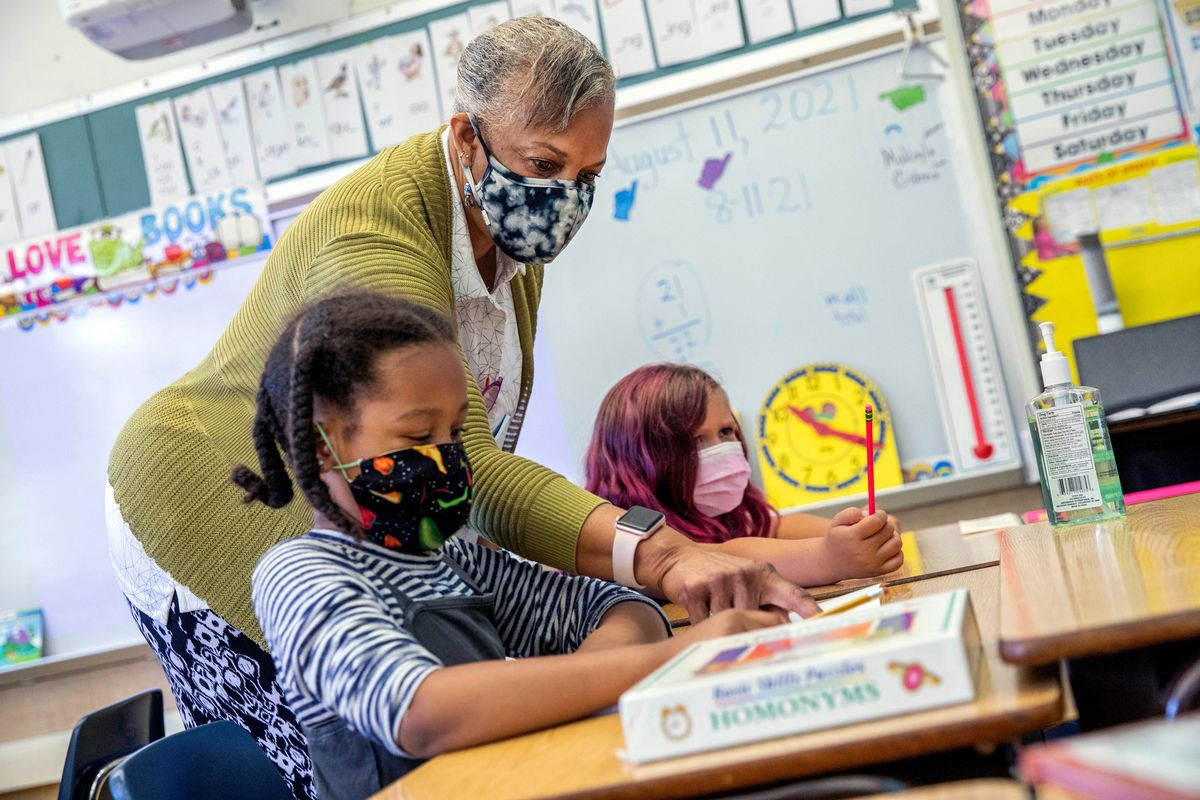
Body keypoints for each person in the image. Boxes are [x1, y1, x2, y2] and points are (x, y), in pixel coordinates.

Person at [104, 17, 814, 797]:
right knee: (339, 756)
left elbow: (520, 519)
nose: (564, 197)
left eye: (588, 173)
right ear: (468, 141)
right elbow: (426, 697)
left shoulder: (510, 238)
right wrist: (667, 569)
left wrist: (595, 668)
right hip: (204, 494)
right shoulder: (370, 238)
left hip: (388, 532)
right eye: (544, 164)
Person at [246, 293, 781, 800]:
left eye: (455, 434)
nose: (447, 456)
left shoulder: (454, 559)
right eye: (417, 437)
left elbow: (623, 607)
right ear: (320, 448)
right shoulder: (298, 574)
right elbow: (422, 713)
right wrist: (670, 658)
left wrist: (578, 683)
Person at [585, 364, 904, 586]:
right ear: (640, 458)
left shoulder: (719, 517)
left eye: (726, 432)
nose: (722, 449)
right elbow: (718, 558)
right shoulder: (625, 537)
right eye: (697, 440)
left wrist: (859, 534)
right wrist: (828, 558)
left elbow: (771, 527)